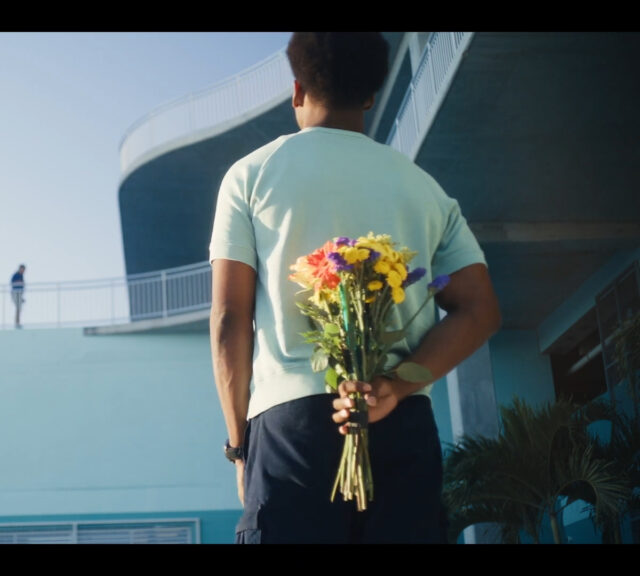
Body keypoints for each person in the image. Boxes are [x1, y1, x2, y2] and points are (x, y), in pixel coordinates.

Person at [209, 32, 501, 544]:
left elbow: (229, 321)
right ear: (371, 95)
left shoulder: (250, 175)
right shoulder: (424, 188)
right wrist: (395, 387)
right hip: (401, 420)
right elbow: (478, 310)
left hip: (289, 427)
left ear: (297, 89)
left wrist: (240, 447)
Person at [11, 264, 26, 329]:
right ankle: (17, 322)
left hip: (20, 293)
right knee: (18, 307)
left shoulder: (21, 276)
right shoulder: (16, 275)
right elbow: (13, 283)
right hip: (15, 293)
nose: (23, 271)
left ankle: (17, 322)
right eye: (22, 269)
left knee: (19, 308)